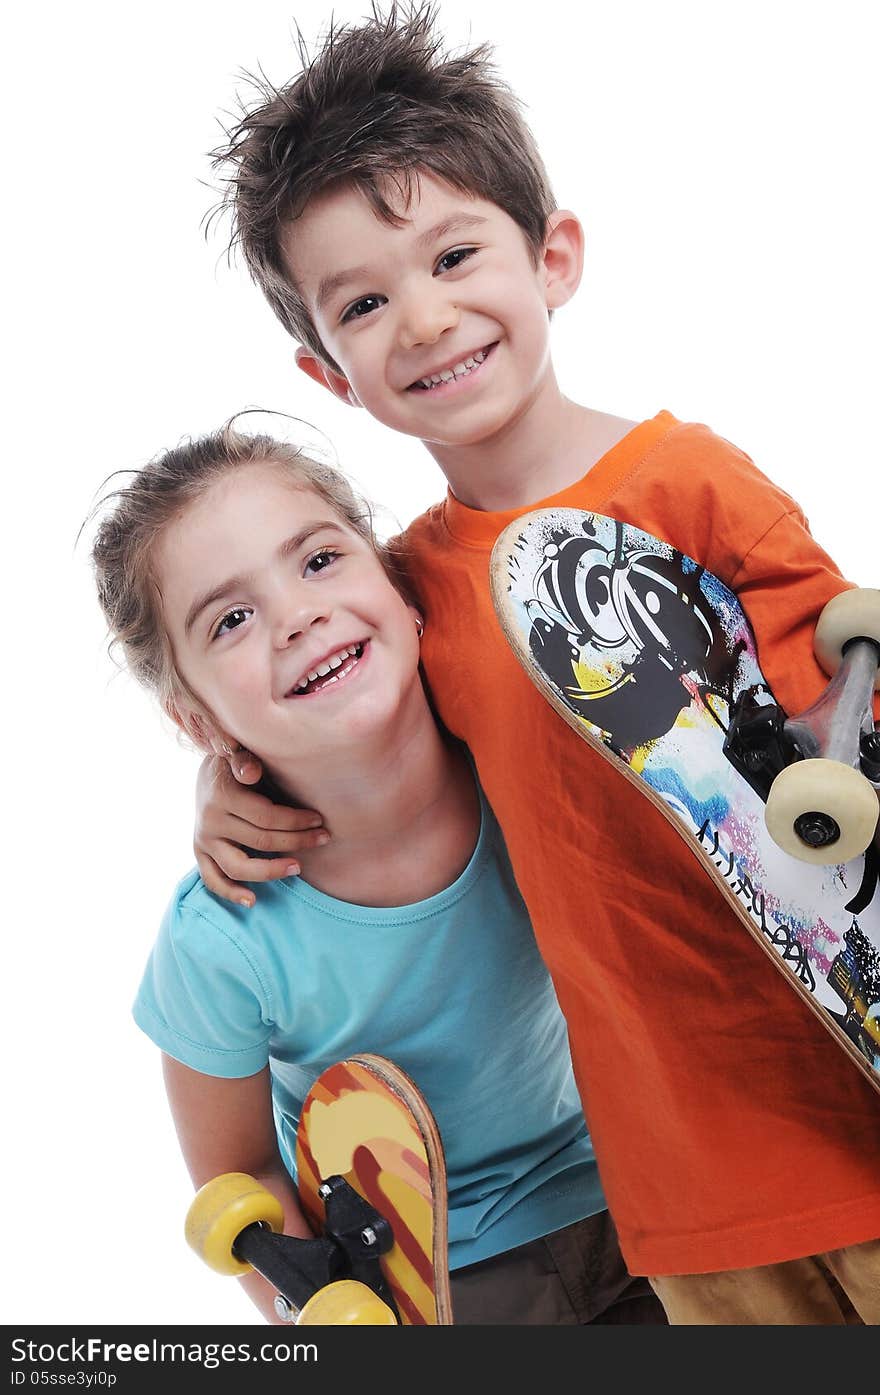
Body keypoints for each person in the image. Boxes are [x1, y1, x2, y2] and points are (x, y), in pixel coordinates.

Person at [191, 6, 880, 1323]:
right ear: (326, 371)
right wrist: (232, 792)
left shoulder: (687, 482)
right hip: (675, 1186)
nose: (427, 317)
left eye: (456, 254)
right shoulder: (398, 596)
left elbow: (842, 722)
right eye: (365, 303)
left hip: (847, 1095)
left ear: (553, 255)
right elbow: (353, 756)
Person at [91, 422, 664, 1326]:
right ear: (196, 719)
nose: (296, 616)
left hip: (643, 1202)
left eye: (319, 561)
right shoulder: (225, 938)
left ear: (400, 586)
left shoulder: (527, 750)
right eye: (231, 620)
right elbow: (237, 1176)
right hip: (439, 1282)